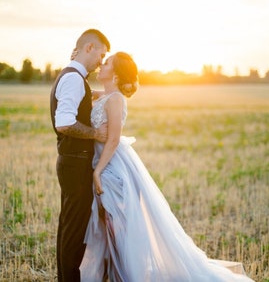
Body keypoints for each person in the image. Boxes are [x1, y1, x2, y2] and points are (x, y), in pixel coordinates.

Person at [79, 51, 255, 281]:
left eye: (108, 63)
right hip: (105, 160)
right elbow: (92, 96)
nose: (102, 65)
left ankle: (125, 273)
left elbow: (113, 139)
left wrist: (98, 171)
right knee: (108, 223)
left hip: (111, 165)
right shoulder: (108, 96)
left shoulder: (115, 99)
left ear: (116, 74)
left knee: (116, 222)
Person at [50, 28, 110, 282]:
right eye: (102, 54)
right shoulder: (74, 78)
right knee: (74, 231)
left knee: (69, 226)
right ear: (89, 48)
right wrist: (96, 134)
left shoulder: (75, 77)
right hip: (75, 163)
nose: (101, 61)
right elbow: (64, 123)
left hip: (71, 161)